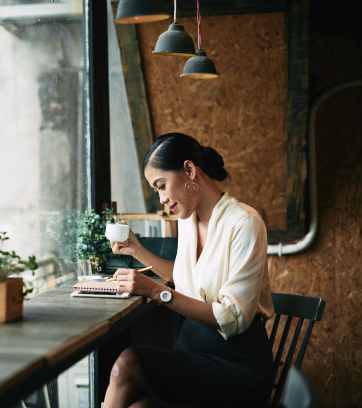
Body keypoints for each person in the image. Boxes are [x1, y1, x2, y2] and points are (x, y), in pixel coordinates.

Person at [103, 132, 275, 408]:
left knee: (126, 365)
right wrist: (137, 250)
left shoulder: (245, 223)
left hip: (237, 365)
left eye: (161, 185)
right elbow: (185, 276)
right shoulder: (187, 219)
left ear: (189, 170)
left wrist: (155, 291)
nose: (160, 199)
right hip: (191, 354)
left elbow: (232, 318)